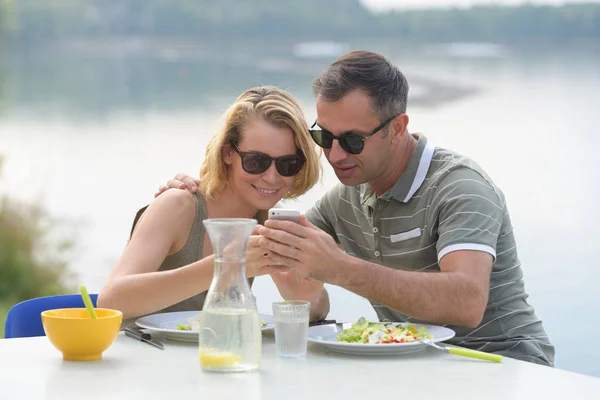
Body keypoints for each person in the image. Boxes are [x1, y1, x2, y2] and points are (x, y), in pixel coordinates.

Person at [158, 51, 554, 366]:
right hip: (418, 366)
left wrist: (339, 268)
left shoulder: (460, 188)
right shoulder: (347, 196)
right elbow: (278, 250)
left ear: (397, 128)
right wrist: (202, 194)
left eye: (351, 140)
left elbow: (467, 303)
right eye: (323, 136)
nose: (334, 154)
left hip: (504, 364)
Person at [97, 86, 329, 324]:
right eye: (256, 161)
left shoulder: (272, 219)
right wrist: (227, 264)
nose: (271, 177)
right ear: (227, 153)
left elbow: (318, 312)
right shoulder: (178, 205)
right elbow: (111, 300)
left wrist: (303, 289)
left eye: (288, 164)